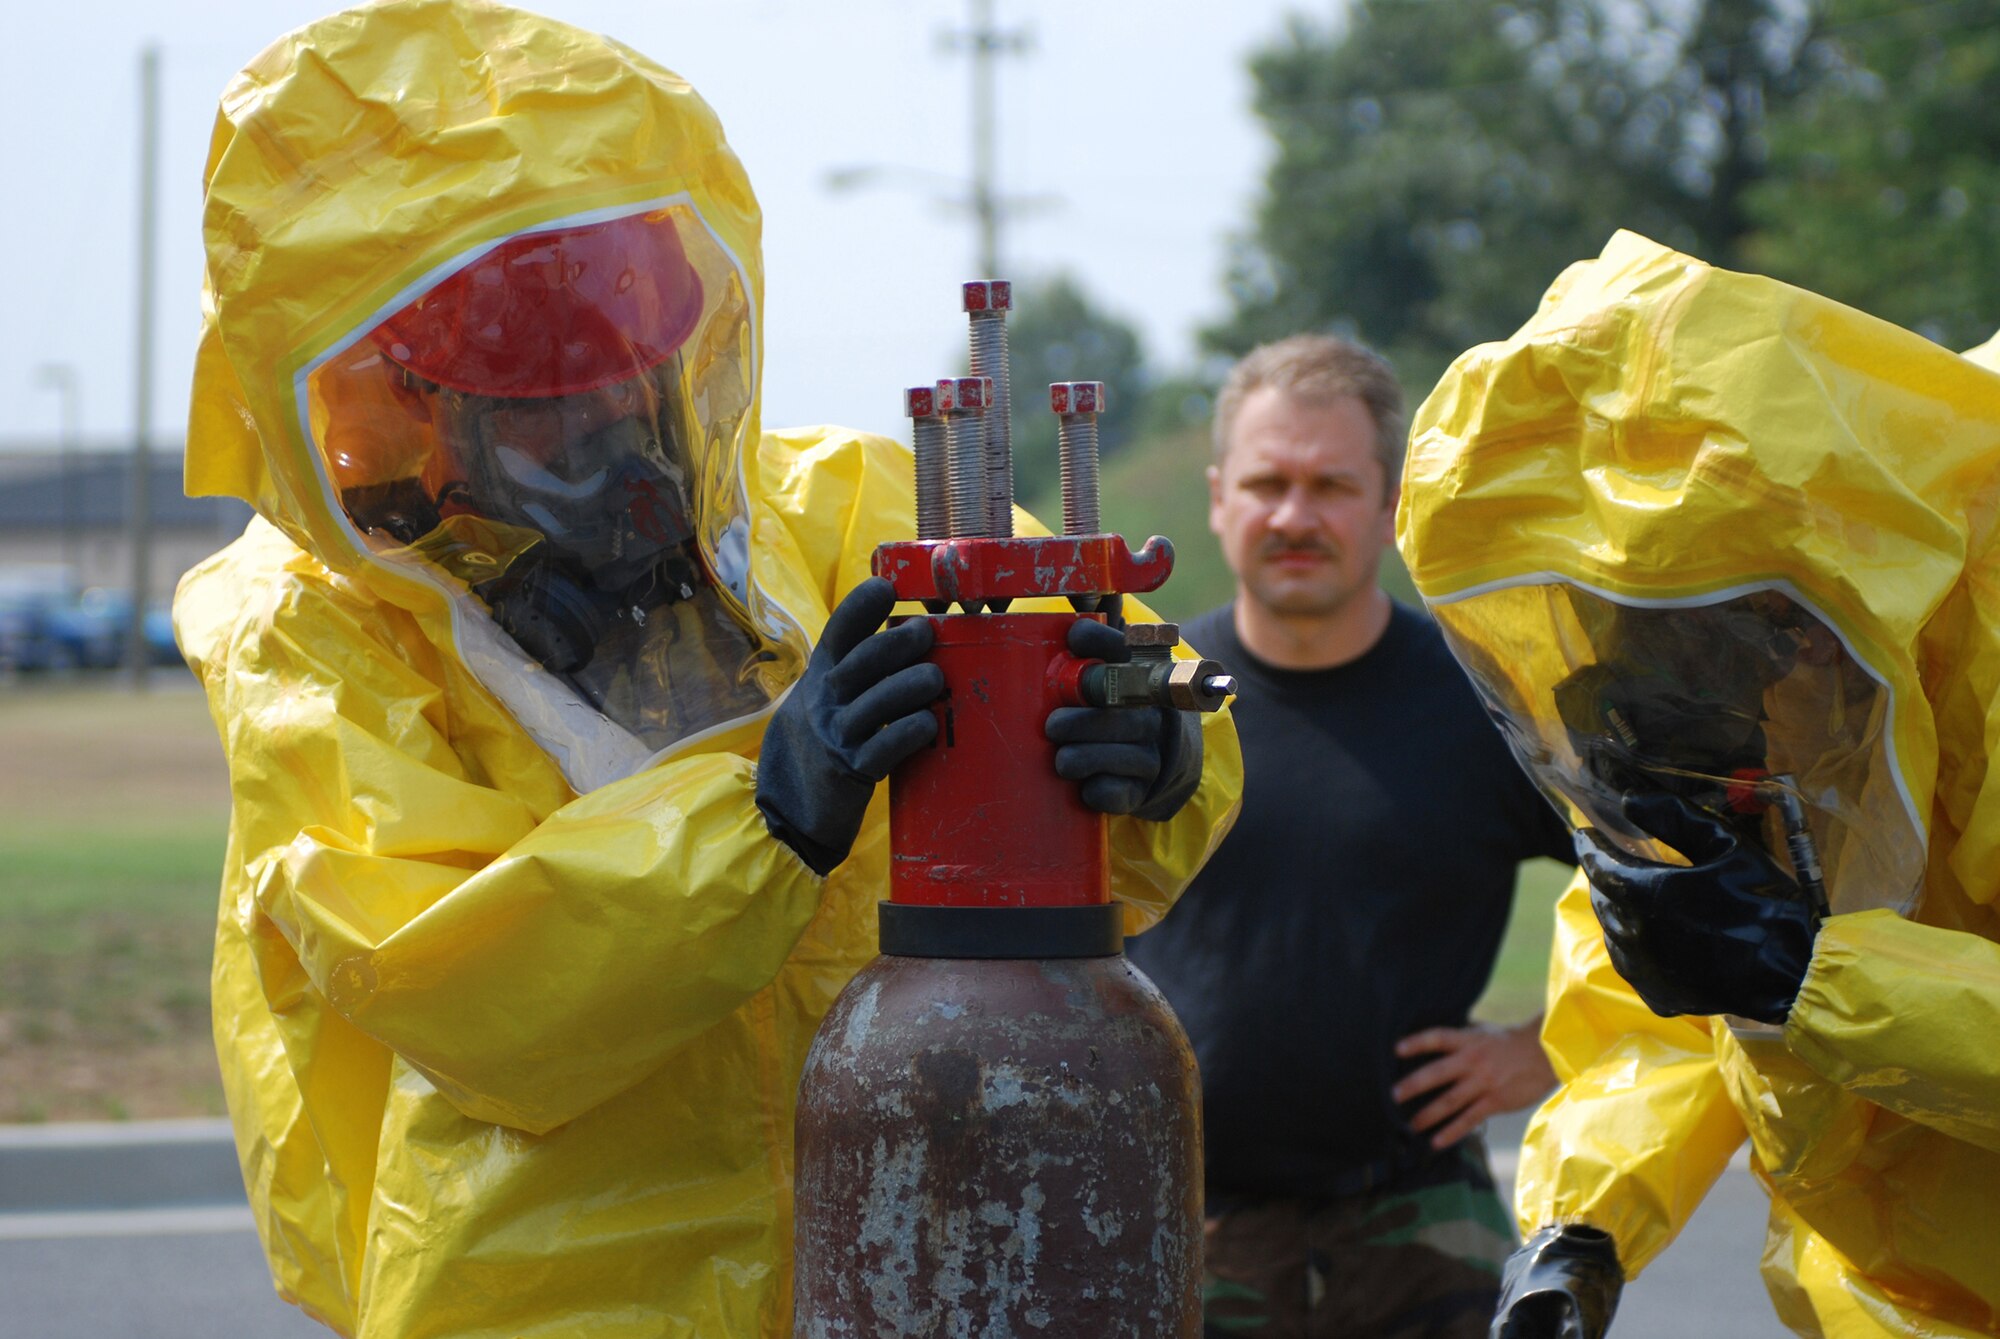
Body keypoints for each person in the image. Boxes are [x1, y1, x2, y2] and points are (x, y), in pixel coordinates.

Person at [171, 4, 1242, 1336]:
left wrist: (1157, 756)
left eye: (638, 371)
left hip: (905, 1259)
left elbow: (1134, 678)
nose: (621, 423)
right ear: (414, 399)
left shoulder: (838, 513)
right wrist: (767, 815)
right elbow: (456, 988)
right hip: (557, 1292)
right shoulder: (320, 626)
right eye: (551, 399)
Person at [1395, 229, 2000, 1338]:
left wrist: (1826, 980)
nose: (1641, 672)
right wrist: (1581, 1224)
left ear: (1802, 601)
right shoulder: (1788, 698)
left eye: (1690, 630)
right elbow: (1664, 975)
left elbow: (1777, 970)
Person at [1124, 334, 1576, 1339]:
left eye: (1329, 484)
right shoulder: (1138, 702)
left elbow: (1674, 895)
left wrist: (1546, 1048)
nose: (1292, 515)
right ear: (1216, 496)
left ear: (1389, 503)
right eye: (1266, 482)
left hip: (1421, 1226)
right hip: (1180, 1222)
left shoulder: (1489, 704)